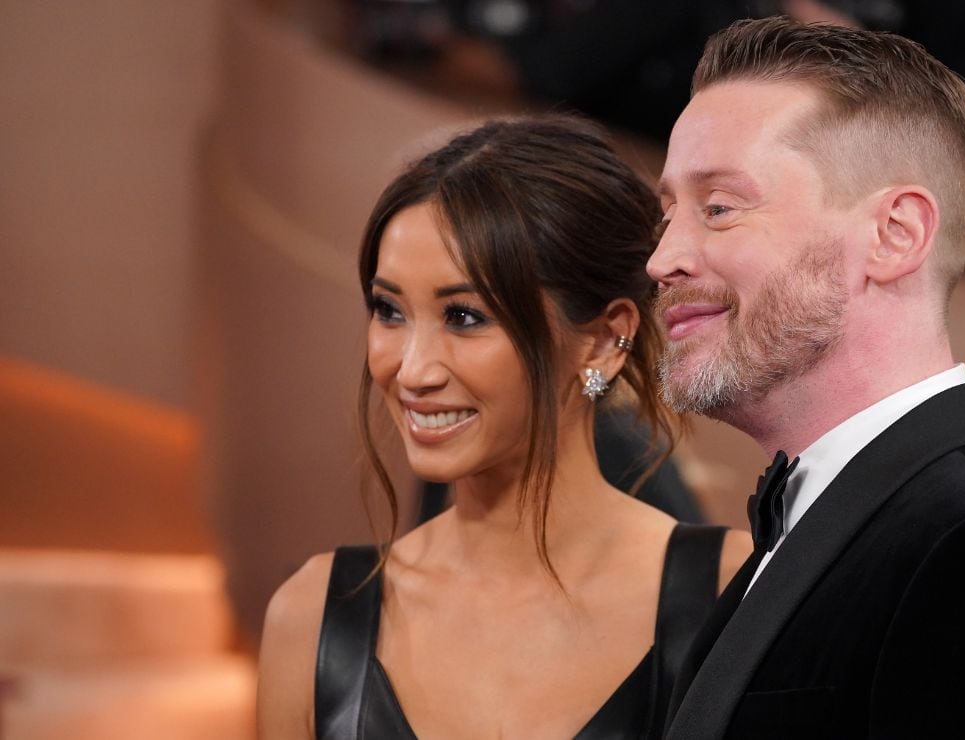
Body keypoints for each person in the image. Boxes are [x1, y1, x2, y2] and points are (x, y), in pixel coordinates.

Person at [650, 18, 965, 739]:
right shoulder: (842, 520)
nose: (662, 259)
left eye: (719, 209)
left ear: (895, 234)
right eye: (667, 215)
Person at [256, 116, 752, 739]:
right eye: (389, 310)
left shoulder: (732, 594)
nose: (411, 370)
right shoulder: (311, 619)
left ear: (604, 340)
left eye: (464, 317)